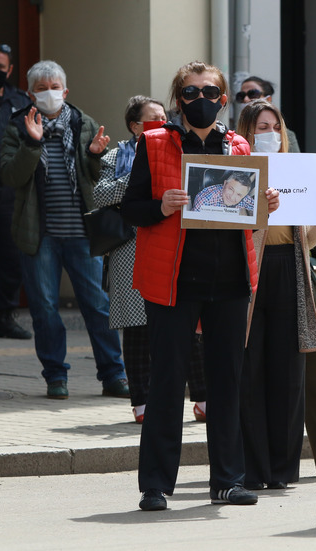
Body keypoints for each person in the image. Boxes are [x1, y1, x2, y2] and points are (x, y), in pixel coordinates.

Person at [120, 60, 280, 511]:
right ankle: (156, 485)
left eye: (209, 93)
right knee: (167, 384)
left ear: (223, 99)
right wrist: (161, 206)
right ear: (177, 100)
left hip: (230, 280)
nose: (200, 100)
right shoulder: (153, 143)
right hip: (173, 281)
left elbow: (251, 220)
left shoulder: (238, 144)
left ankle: (228, 480)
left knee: (226, 384)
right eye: (190, 93)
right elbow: (131, 210)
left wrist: (265, 204)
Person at [0, 60, 128, 400]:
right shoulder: (18, 126)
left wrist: (95, 156)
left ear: (65, 91)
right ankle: (56, 376)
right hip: (39, 236)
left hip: (83, 233)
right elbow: (10, 176)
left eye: (54, 87)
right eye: (40, 89)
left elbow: (99, 178)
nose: (49, 94)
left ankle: (113, 374)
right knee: (43, 308)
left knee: (98, 305)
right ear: (29, 94)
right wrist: (32, 143)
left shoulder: (83, 123)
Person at [94, 95, 208, 424]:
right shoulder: (117, 155)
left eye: (164, 115)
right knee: (137, 330)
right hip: (129, 249)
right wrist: (145, 173)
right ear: (135, 125)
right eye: (154, 117)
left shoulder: (178, 147)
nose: (163, 120)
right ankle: (141, 402)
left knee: (189, 326)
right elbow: (99, 194)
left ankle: (202, 398)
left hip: (174, 246)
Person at [235, 99, 316, 490]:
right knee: (249, 369)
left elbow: (305, 240)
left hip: (289, 270)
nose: (269, 134)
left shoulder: (296, 170)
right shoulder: (235, 171)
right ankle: (252, 469)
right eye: (260, 127)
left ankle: (282, 470)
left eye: (274, 126)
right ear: (245, 132)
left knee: (289, 374)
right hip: (248, 273)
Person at [0, 42, 33, 340]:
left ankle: (4, 317)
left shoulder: (20, 102)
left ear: (9, 70)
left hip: (8, 191)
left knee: (11, 256)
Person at [236, 76, 301, 153]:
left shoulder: (287, 136)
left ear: (268, 99)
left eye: (253, 94)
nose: (246, 99)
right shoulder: (233, 138)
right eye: (241, 96)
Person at [192, 170, 257, 213]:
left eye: (239, 195)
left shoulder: (244, 198)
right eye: (231, 189)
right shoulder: (204, 201)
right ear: (225, 183)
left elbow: (259, 210)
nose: (232, 197)